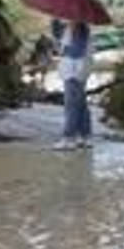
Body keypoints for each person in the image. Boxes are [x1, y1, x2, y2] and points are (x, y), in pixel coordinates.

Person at [53, 19, 93, 150]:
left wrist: (73, 27)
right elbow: (57, 36)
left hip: (75, 70)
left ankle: (69, 137)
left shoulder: (81, 28)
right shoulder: (66, 27)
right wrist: (56, 22)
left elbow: (77, 51)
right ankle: (85, 136)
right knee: (80, 103)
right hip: (71, 69)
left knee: (71, 103)